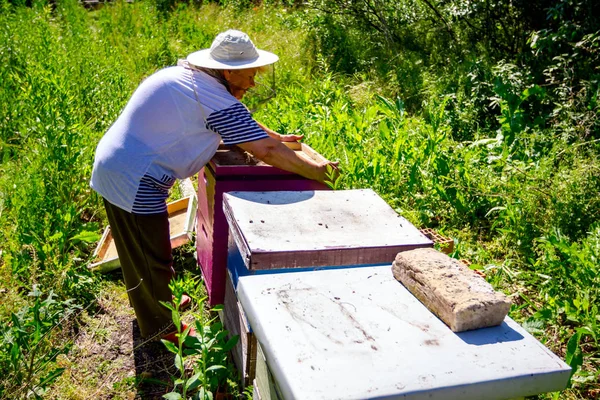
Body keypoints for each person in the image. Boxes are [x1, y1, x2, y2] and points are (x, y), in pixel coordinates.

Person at [90, 30, 338, 343]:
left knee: (142, 249)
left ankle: (155, 302)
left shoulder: (193, 80)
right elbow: (266, 152)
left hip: (122, 165)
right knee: (149, 255)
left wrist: (276, 137)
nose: (251, 84)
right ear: (227, 72)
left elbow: (246, 126)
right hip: (133, 177)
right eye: (248, 77)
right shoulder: (211, 95)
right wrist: (318, 171)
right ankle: (160, 329)